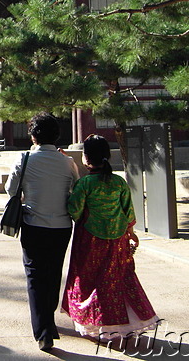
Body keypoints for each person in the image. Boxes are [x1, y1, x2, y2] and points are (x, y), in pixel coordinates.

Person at [61, 134, 159, 342]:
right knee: (116, 278)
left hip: (90, 239)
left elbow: (75, 211)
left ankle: (96, 323)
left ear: (86, 158)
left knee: (91, 279)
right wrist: (130, 233)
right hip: (117, 239)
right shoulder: (119, 182)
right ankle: (123, 323)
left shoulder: (85, 184)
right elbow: (129, 212)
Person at [5, 113, 80, 352]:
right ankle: (49, 321)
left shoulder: (24, 158)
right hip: (61, 226)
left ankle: (43, 331)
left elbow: (11, 190)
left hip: (33, 223)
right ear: (57, 136)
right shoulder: (67, 162)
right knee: (53, 273)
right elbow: (75, 189)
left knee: (35, 276)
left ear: (33, 135)